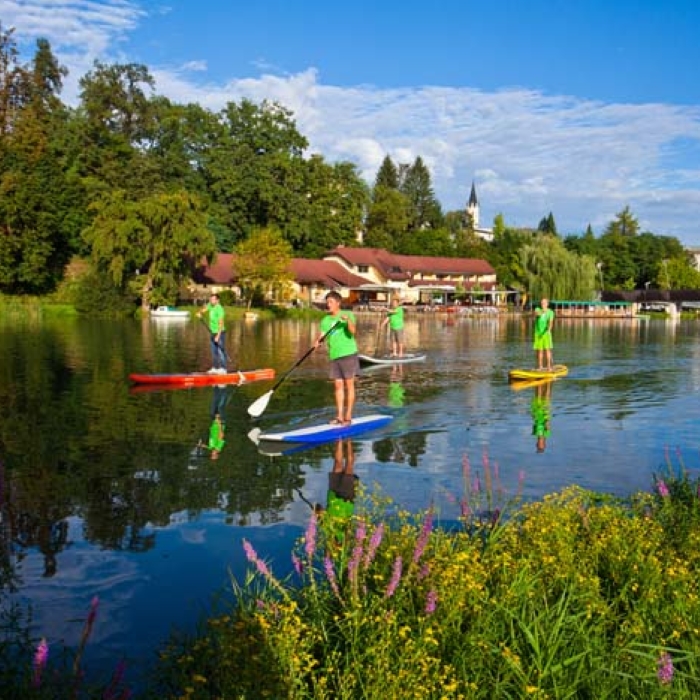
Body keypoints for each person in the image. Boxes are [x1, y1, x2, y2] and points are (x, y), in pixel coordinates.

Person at [314, 290, 360, 425]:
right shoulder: (325, 320)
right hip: (334, 355)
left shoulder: (348, 314)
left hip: (348, 353)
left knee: (349, 385)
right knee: (338, 385)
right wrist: (318, 341)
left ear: (338, 303)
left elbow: (353, 331)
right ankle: (339, 416)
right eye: (327, 302)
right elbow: (322, 335)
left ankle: (348, 416)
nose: (328, 305)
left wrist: (347, 322)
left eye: (331, 302)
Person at [198, 293, 227, 374]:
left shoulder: (220, 309)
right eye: (210, 299)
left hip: (220, 332)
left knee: (220, 351)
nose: (211, 301)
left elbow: (221, 324)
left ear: (217, 300)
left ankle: (223, 368)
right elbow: (203, 310)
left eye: (213, 299)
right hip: (212, 332)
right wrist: (200, 313)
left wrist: (218, 336)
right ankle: (215, 368)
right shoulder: (210, 305)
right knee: (213, 351)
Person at [533, 298, 555, 371]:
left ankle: (549, 367)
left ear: (547, 304)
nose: (543, 304)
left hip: (546, 333)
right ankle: (540, 367)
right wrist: (542, 312)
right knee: (540, 351)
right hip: (538, 334)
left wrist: (549, 329)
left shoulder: (551, 312)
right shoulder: (537, 309)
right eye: (542, 303)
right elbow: (537, 314)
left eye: (544, 303)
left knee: (547, 350)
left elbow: (551, 322)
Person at [531, 380, 552, 453]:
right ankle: (549, 382)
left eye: (538, 444)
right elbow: (548, 424)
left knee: (538, 396)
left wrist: (533, 415)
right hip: (545, 415)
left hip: (537, 414)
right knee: (547, 397)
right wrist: (547, 421)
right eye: (541, 444)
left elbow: (534, 422)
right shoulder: (546, 434)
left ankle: (538, 381)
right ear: (544, 444)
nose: (540, 443)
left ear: (536, 444)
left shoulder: (535, 433)